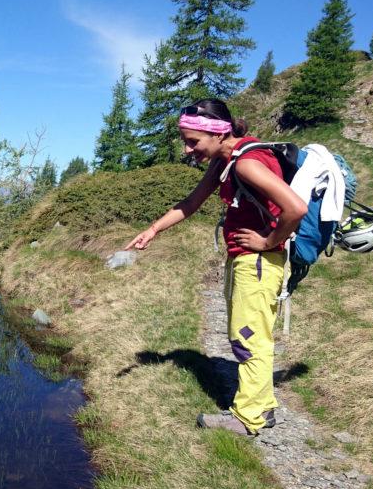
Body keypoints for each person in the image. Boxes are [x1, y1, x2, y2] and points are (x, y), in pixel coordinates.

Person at [125, 99, 308, 435]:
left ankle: (248, 418)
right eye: (185, 140)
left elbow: (295, 208)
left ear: (218, 133)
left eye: (193, 141)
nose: (186, 149)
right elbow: (192, 203)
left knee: (248, 337)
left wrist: (268, 242)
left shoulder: (246, 164)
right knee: (247, 333)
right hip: (243, 259)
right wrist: (153, 229)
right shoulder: (225, 160)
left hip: (258, 261)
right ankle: (262, 407)